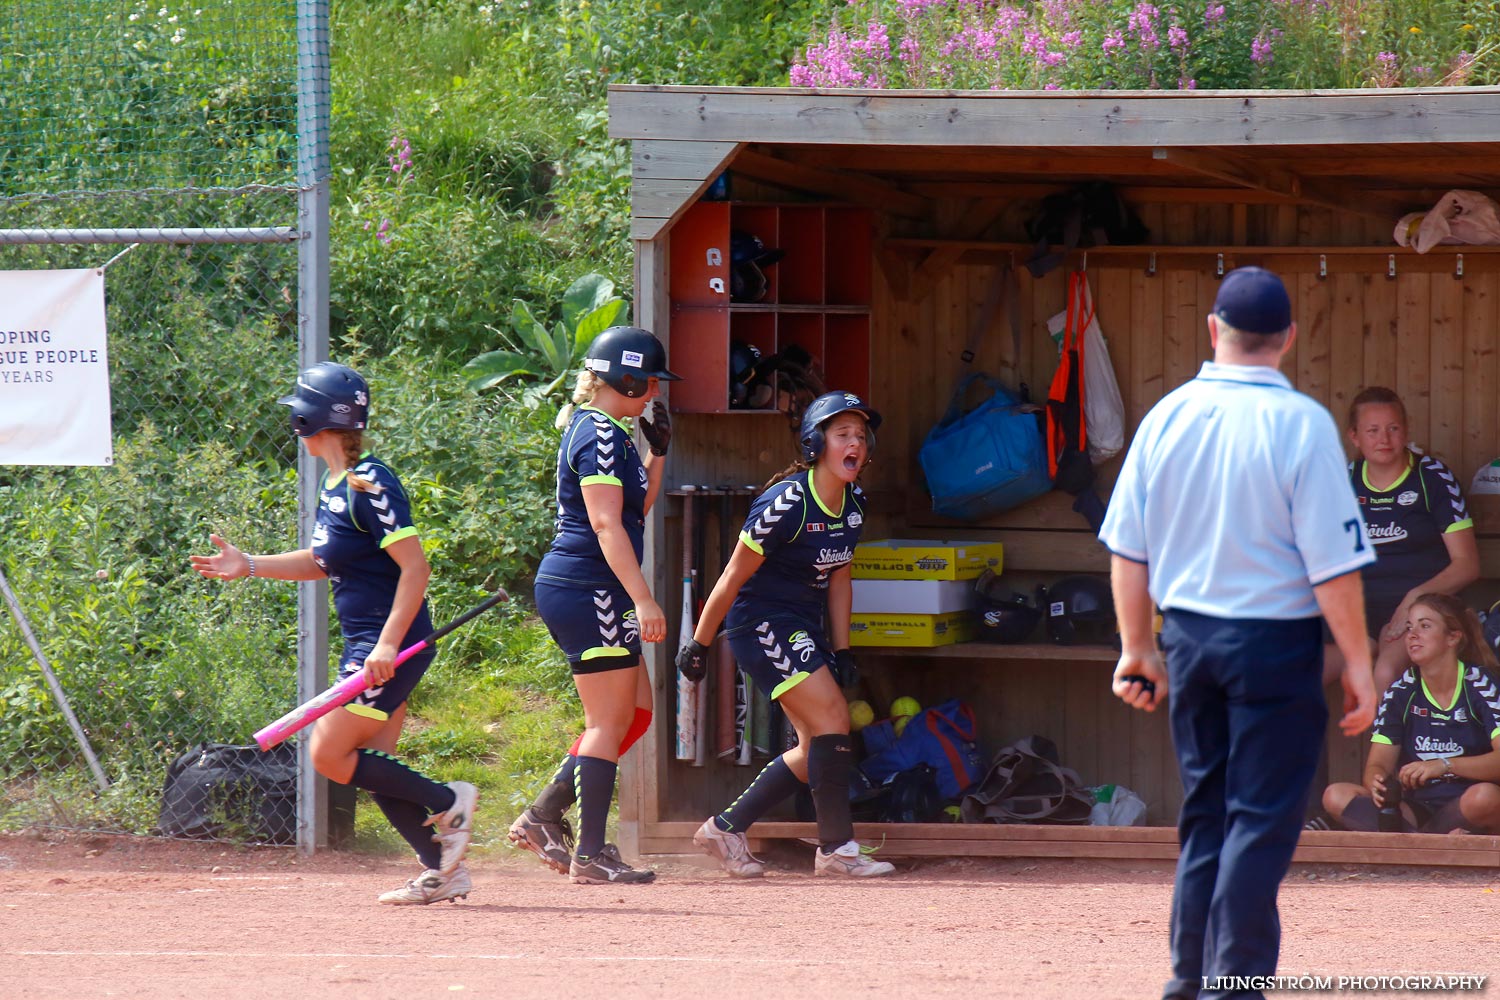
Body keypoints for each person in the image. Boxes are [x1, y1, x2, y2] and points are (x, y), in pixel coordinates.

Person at [1098, 266, 1379, 1000]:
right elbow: (1334, 569)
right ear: (1287, 339)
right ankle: (1233, 986)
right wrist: (1358, 660)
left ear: (1212, 331)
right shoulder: (1303, 424)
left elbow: (1127, 550)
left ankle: (1188, 980)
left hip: (1189, 638)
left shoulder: (1169, 415)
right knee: (1260, 820)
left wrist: (1138, 647)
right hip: (1275, 644)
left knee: (1207, 814)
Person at [191, 362, 478, 905]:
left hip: (390, 642)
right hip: (368, 643)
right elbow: (324, 561)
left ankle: (451, 800)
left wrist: (388, 645)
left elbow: (415, 568)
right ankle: (443, 867)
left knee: (327, 752)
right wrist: (249, 564)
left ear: (309, 420)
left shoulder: (371, 483)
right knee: (373, 766)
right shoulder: (337, 483)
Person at [676, 391, 895, 879]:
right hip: (761, 622)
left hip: (803, 623)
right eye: (843, 434)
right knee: (835, 717)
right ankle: (837, 850)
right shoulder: (786, 503)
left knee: (812, 743)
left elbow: (840, 577)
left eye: (861, 435)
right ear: (816, 443)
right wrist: (700, 642)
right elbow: (732, 576)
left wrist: (843, 649)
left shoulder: (854, 503)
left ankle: (725, 829)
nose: (854, 442)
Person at [506, 326, 678, 885]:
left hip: (593, 586)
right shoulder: (599, 435)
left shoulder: (611, 433)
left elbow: (633, 511)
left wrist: (656, 456)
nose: (653, 392)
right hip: (591, 586)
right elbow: (605, 524)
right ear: (626, 377)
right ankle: (593, 853)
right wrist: (644, 598)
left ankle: (543, 815)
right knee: (607, 721)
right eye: (649, 381)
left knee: (637, 714)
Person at [1322, 387, 1478, 695]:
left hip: (1419, 611)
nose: (1384, 439)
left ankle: (1385, 746)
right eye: (1373, 430)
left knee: (1386, 672)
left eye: (1393, 429)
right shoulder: (1345, 482)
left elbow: (1468, 565)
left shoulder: (1431, 477)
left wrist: (1413, 598)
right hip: (1360, 613)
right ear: (1354, 436)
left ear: (1406, 431)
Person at [1322, 592, 1500, 834]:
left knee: (1485, 797)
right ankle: (1431, 843)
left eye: (1425, 626)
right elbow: (1377, 765)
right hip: (1418, 808)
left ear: (1453, 637)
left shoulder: (1479, 683)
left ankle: (1413, 844)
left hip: (1468, 804)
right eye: (1409, 627)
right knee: (1336, 794)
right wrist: (1377, 782)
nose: (1412, 634)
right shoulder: (1400, 691)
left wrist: (1444, 765)